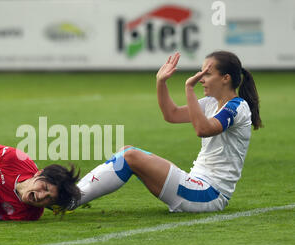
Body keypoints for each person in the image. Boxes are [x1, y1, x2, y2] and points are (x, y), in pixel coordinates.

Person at [63, 51, 262, 213]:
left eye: (206, 74)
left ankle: (70, 199)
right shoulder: (211, 103)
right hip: (196, 185)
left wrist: (189, 89)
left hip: (209, 194)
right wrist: (161, 82)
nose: (200, 78)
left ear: (225, 78)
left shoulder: (238, 106)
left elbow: (202, 129)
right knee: (127, 153)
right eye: (200, 73)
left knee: (130, 155)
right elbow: (172, 114)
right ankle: (71, 196)